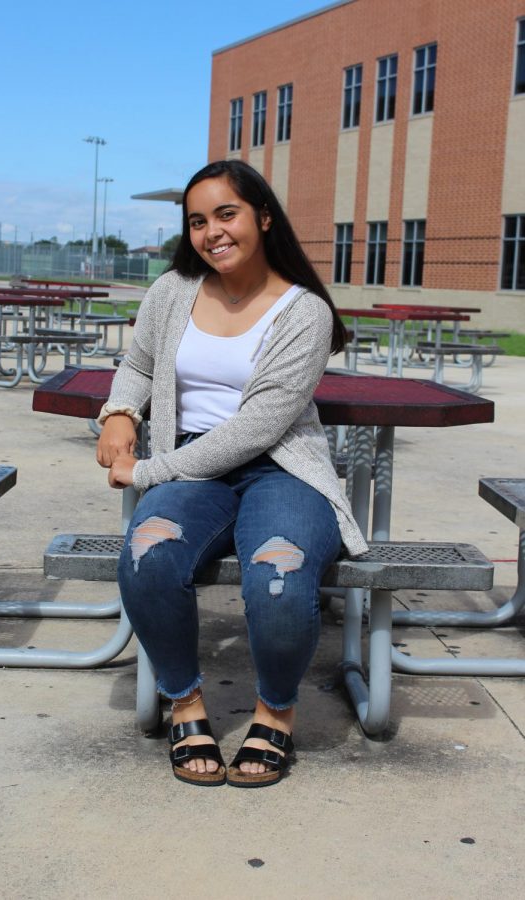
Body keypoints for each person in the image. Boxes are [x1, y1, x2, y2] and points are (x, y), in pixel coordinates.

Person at [95, 159, 367, 788]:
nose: (211, 232)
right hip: (193, 469)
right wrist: (119, 413)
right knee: (148, 555)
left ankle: (275, 712)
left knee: (279, 574)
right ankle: (184, 704)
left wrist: (148, 472)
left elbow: (253, 431)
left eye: (226, 214)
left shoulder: (304, 313)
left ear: (263, 217)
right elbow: (138, 363)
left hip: (280, 469)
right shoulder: (172, 291)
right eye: (197, 221)